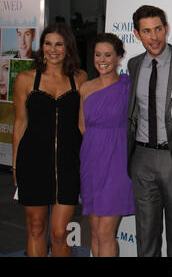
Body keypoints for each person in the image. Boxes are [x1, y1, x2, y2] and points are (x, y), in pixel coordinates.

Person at [12, 23, 87, 257]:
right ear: (41, 46)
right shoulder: (25, 79)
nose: (52, 49)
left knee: (58, 233)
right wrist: (15, 165)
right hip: (32, 162)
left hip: (68, 164)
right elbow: (20, 123)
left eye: (59, 44)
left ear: (68, 48)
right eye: (48, 43)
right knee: (35, 228)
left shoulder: (80, 78)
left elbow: (83, 126)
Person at [127, 5, 172, 257]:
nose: (153, 37)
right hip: (141, 158)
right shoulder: (134, 65)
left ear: (166, 29)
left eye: (158, 29)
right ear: (137, 34)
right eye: (146, 31)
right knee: (146, 235)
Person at [78, 33, 134, 257]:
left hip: (118, 162)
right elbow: (82, 126)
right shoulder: (85, 87)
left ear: (119, 57)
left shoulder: (128, 86)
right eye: (98, 55)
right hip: (92, 161)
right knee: (94, 231)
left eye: (108, 55)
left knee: (105, 231)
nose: (102, 60)